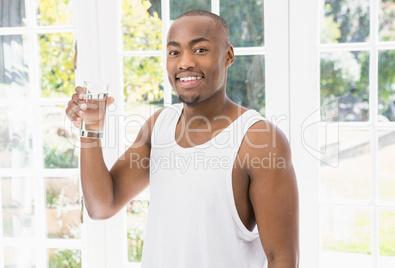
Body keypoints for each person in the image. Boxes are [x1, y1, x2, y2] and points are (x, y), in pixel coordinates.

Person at [65, 9, 299, 268]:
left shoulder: (259, 140)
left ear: (228, 56)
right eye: (174, 52)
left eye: (200, 50)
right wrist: (91, 129)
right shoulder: (159, 126)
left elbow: (283, 258)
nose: (184, 63)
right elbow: (101, 207)